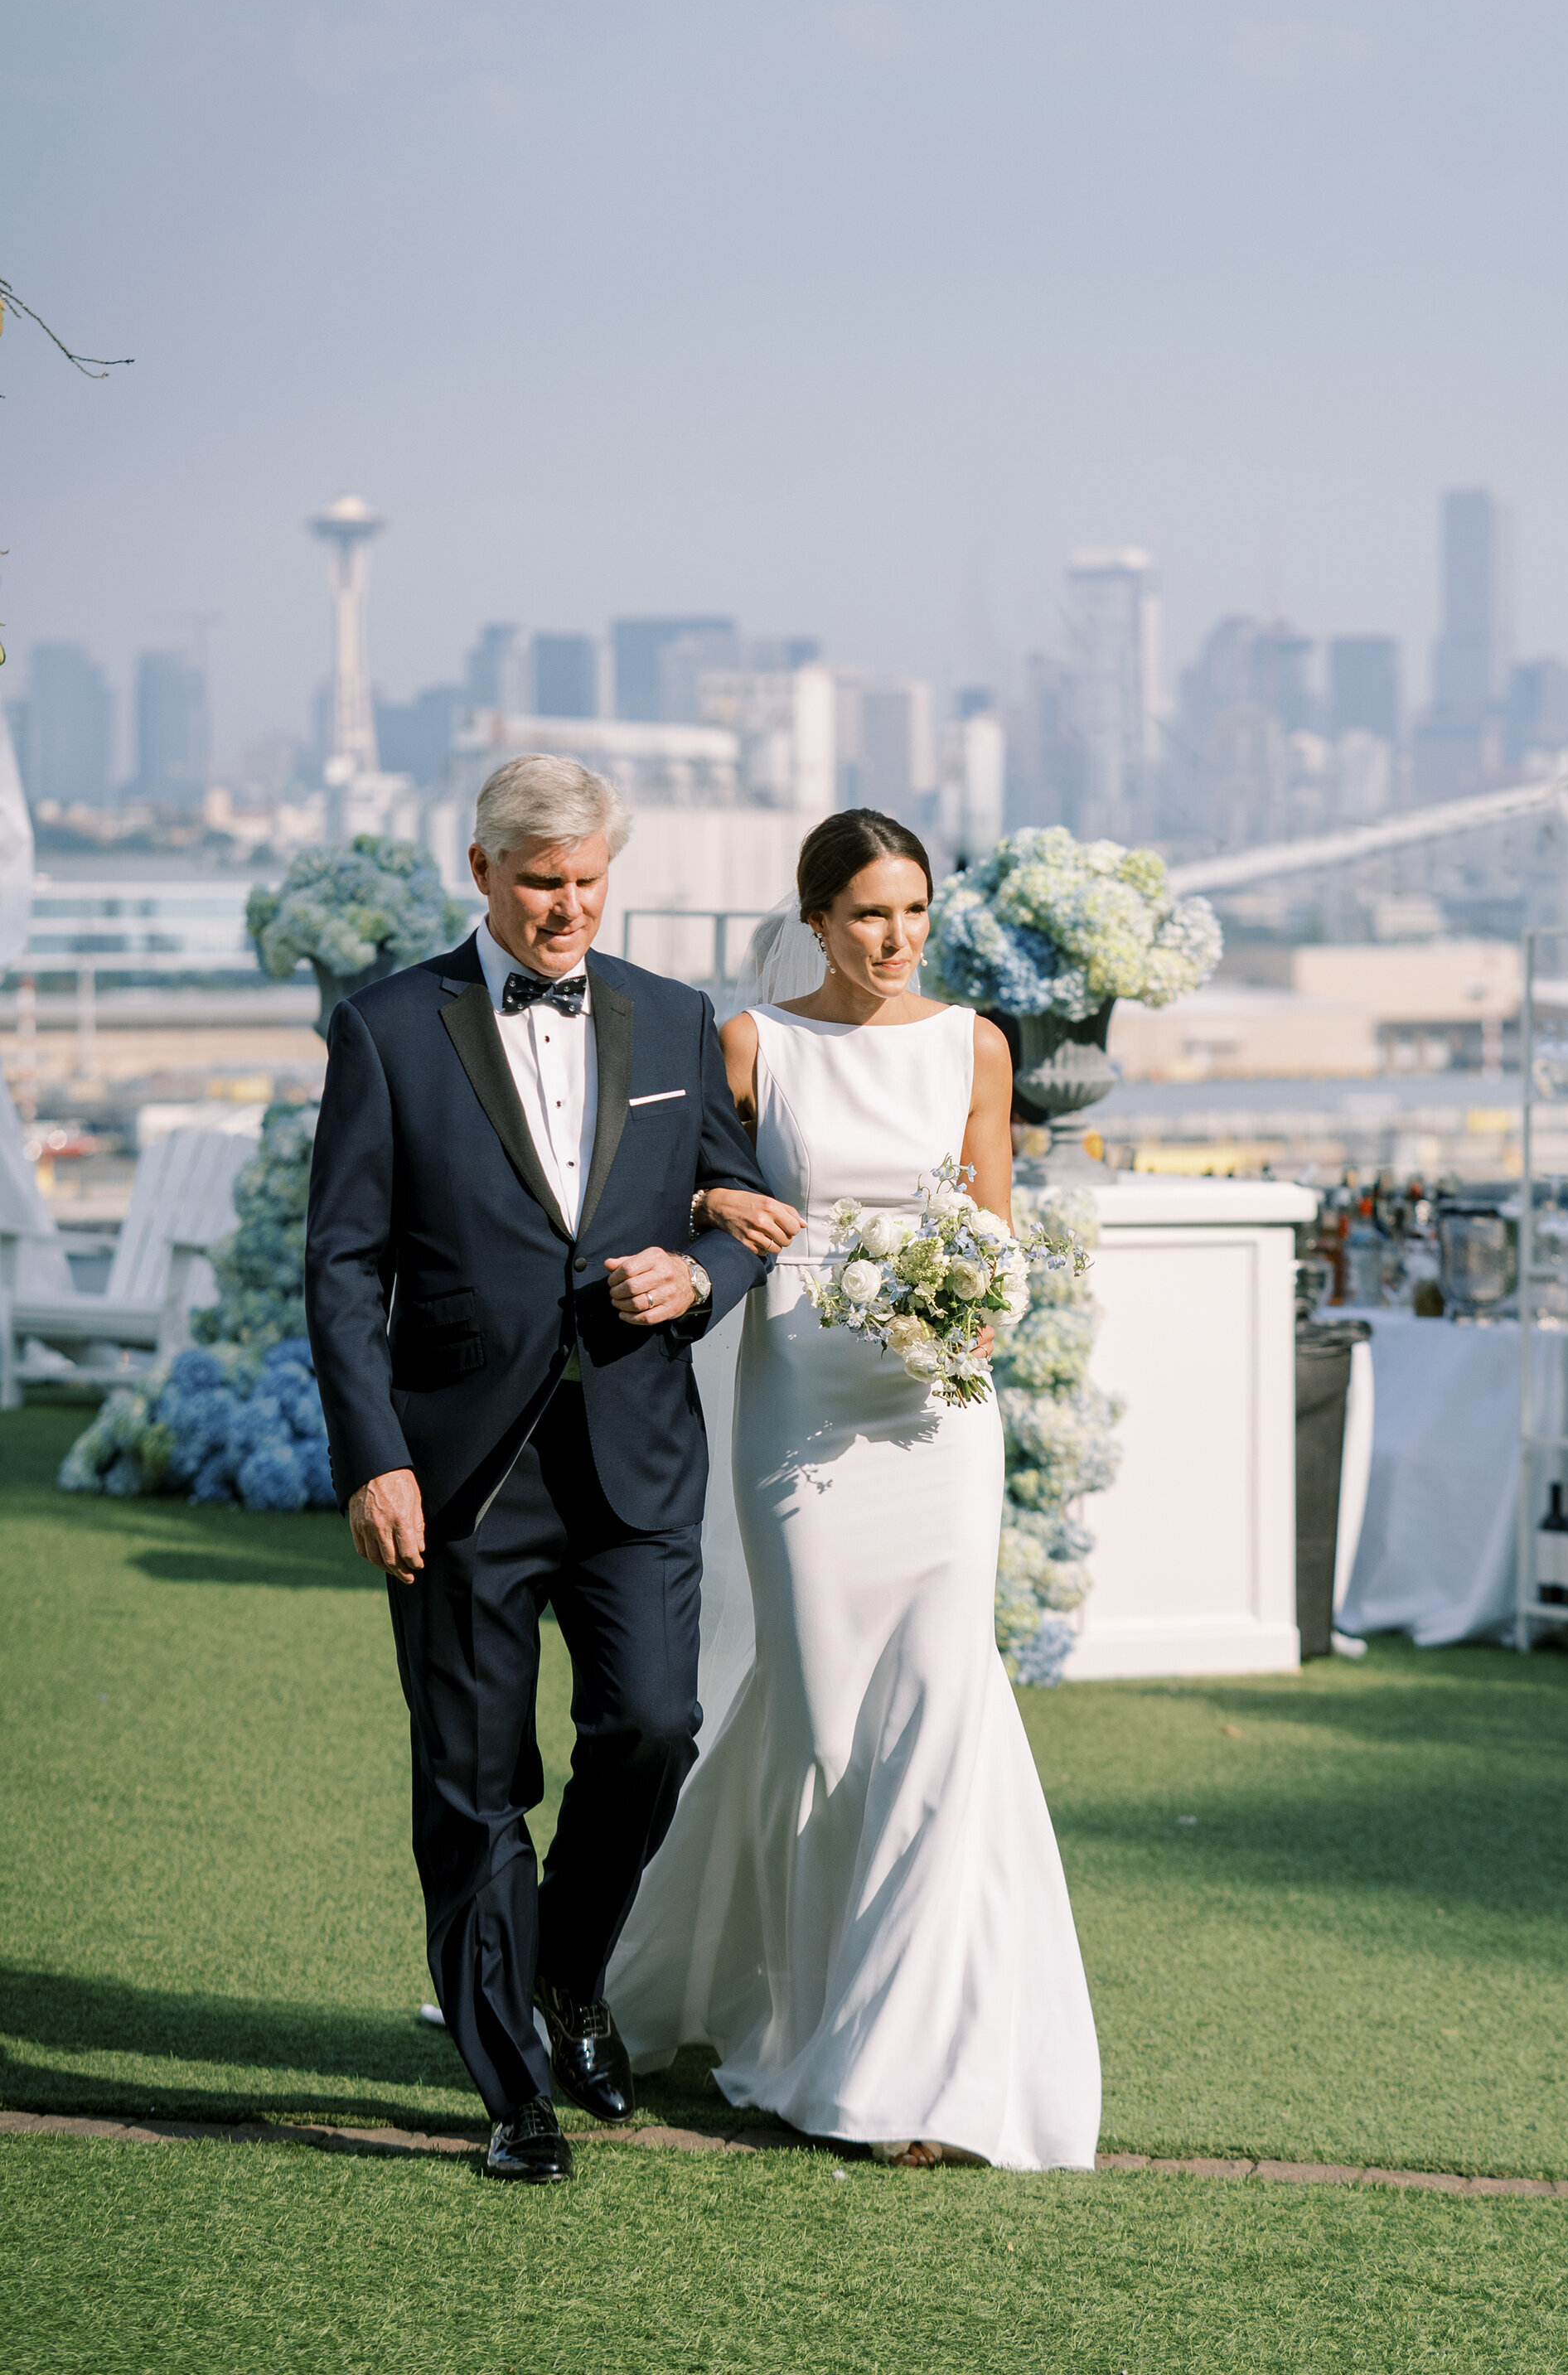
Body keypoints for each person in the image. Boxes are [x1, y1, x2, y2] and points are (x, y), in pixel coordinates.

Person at [603, 808, 1102, 2171]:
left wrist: (980, 1307)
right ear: (815, 920)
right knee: (822, 1722)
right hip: (802, 1409)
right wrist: (718, 1207)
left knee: (939, 1709)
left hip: (936, 1415)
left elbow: (991, 1226)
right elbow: (679, 1186)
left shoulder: (975, 1044)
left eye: (914, 914)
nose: (895, 940)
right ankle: (763, 2000)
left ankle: (907, 2068)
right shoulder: (755, 1044)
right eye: (868, 914)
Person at [304, 754, 772, 2185]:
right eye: (538, 883)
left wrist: (689, 1281)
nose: (566, 909)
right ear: (481, 873)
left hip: (634, 1457)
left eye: (587, 883)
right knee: (472, 1783)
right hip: (458, 1475)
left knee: (650, 1730)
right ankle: (513, 2093)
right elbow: (340, 1265)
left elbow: (743, 1217)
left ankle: (570, 1978)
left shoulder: (676, 1018)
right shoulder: (386, 1029)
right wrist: (374, 1459)